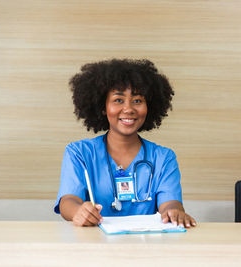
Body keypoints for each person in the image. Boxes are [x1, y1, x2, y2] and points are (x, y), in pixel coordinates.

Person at [54, 58, 196, 228]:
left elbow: (171, 203)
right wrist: (78, 211)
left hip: (147, 246)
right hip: (94, 246)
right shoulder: (80, 153)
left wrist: (174, 212)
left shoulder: (163, 158)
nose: (128, 109)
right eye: (118, 100)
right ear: (102, 107)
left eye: (137, 101)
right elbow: (68, 201)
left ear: (148, 106)